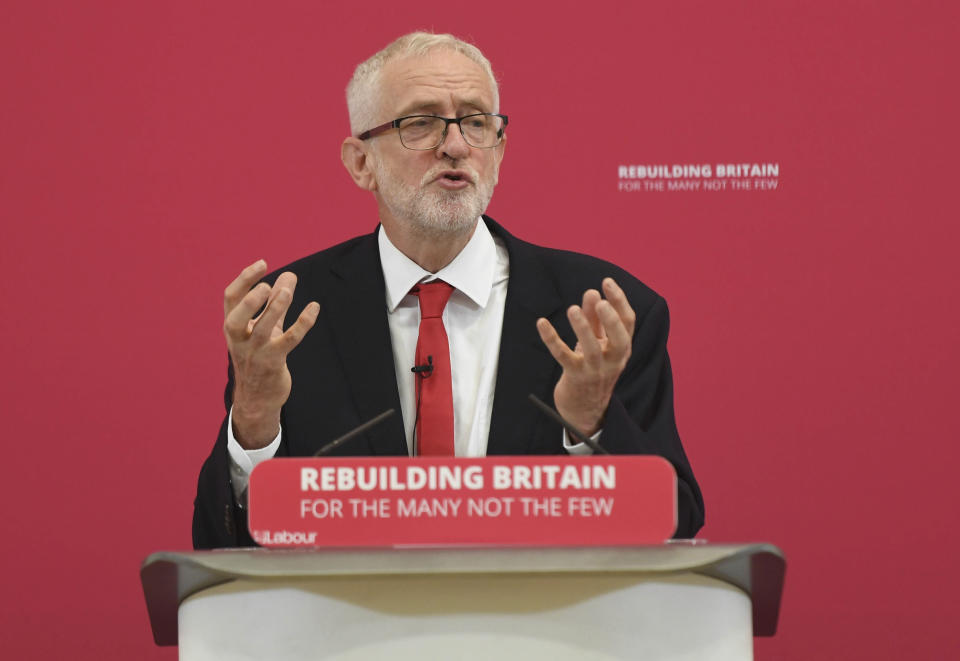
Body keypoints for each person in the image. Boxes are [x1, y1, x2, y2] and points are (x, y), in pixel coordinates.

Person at [193, 32, 704, 548]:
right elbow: (220, 541)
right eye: (420, 123)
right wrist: (254, 417)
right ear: (360, 163)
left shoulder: (601, 314)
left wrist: (591, 425)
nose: (456, 146)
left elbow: (676, 521)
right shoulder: (286, 319)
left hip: (540, 623)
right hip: (355, 623)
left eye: (477, 122)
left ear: (499, 152)